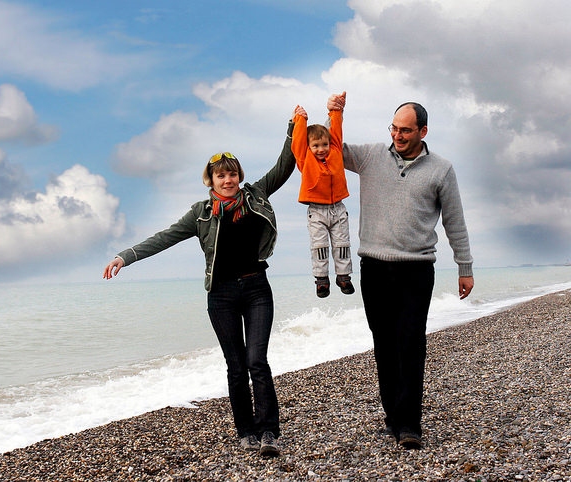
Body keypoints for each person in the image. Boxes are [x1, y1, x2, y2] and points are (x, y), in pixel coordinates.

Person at [103, 114, 298, 457]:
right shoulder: (201, 213)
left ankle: (268, 432)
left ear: (240, 176)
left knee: (257, 361)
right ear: (210, 179)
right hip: (220, 295)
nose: (228, 180)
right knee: (236, 367)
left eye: (232, 174)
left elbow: (285, 166)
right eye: (221, 175)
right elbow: (165, 237)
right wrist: (126, 256)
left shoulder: (255, 195)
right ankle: (246, 432)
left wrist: (293, 129)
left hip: (256, 289)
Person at [327, 94, 474, 449]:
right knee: (384, 346)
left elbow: (455, 220)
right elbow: (330, 149)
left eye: (405, 130)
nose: (398, 135)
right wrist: (331, 113)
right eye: (394, 128)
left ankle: (409, 424)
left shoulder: (441, 169)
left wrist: (464, 267)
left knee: (411, 343)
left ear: (423, 131)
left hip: (416, 269)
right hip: (374, 268)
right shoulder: (371, 156)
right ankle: (392, 416)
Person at [291, 95, 354, 298]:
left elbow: (335, 130)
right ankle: (321, 280)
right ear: (309, 148)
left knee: (342, 243)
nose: (321, 149)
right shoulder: (305, 159)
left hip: (338, 208)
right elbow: (298, 142)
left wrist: (335, 110)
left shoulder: (335, 150)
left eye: (324, 145)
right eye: (316, 146)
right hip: (316, 211)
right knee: (320, 246)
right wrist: (300, 120)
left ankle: (343, 276)